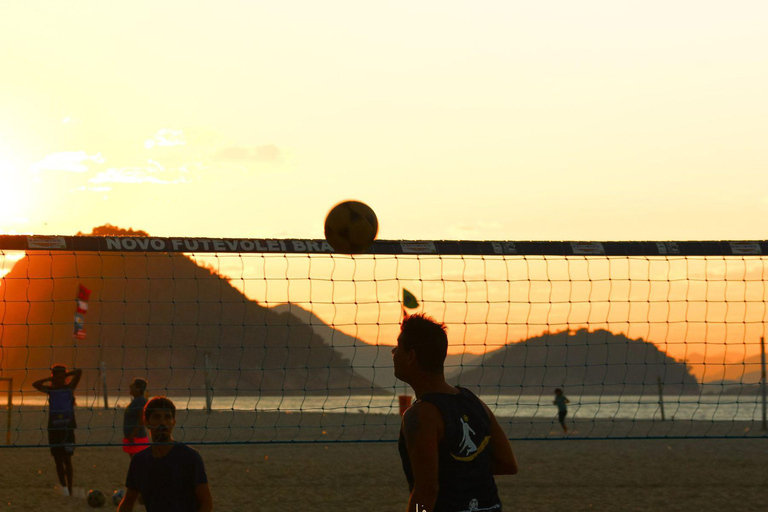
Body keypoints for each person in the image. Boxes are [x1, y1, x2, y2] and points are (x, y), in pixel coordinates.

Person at [392, 314, 517, 512]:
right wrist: (462, 469)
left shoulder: (419, 415)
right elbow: (508, 464)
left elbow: (426, 491)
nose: (393, 351)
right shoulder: (475, 402)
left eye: (398, 346)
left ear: (411, 356)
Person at [118, 396, 213, 512]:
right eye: (157, 417)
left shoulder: (190, 457)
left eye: (167, 417)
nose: (162, 422)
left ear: (173, 423)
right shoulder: (139, 460)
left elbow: (206, 502)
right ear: (146, 422)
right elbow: (127, 502)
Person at [32, 364, 82, 497]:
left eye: (62, 376)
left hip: (67, 429)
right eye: (57, 376)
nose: (60, 379)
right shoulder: (50, 390)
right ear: (53, 377)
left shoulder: (69, 388)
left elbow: (79, 371)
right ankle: (64, 488)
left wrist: (65, 375)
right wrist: (51, 378)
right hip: (53, 429)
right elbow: (35, 384)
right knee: (58, 460)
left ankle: (70, 488)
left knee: (67, 459)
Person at [122, 378, 149, 458]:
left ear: (138, 389)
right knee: (135, 462)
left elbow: (142, 419)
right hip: (132, 437)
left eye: (133, 385)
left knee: (137, 461)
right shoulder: (136, 400)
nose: (130, 386)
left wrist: (133, 434)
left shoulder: (140, 401)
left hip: (136, 438)